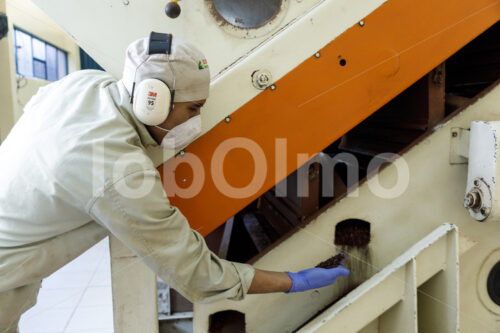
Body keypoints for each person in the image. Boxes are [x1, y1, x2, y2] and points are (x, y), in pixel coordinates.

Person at [0, 32, 349, 332]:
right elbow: (196, 274)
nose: (197, 121)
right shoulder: (117, 171)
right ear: (152, 102)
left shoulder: (85, 84)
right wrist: (292, 281)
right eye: (193, 109)